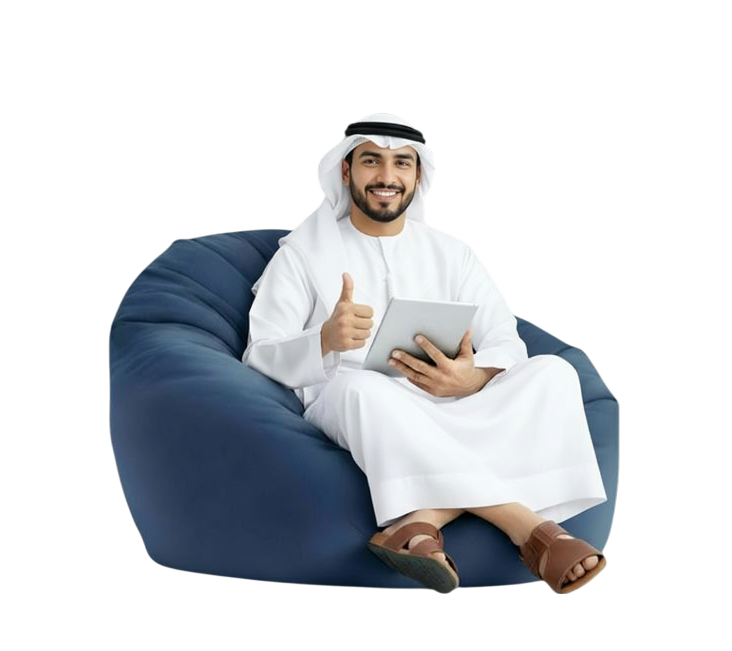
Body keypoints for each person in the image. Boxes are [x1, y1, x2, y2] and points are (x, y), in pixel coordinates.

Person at [242, 113, 608, 594]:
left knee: (554, 372)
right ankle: (530, 530)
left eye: (401, 163)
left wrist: (473, 378)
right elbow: (260, 352)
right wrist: (324, 340)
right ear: (345, 171)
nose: (387, 176)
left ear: (418, 176)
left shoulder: (453, 253)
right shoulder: (302, 254)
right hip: (362, 406)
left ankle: (421, 523)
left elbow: (506, 339)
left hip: (452, 400)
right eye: (371, 161)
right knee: (361, 386)